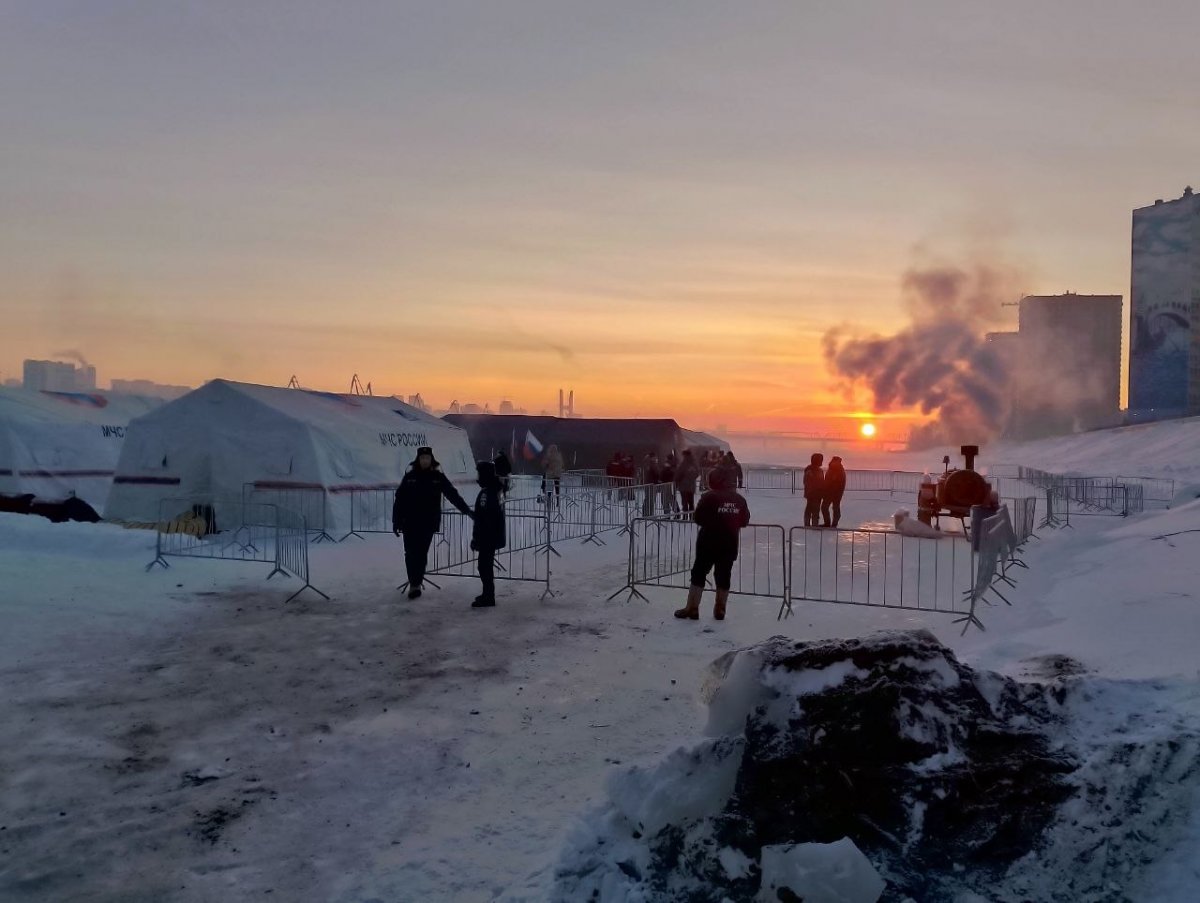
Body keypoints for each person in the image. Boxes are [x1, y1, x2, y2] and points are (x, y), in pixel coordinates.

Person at [393, 446, 473, 599]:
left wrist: (466, 510)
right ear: (418, 460)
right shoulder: (410, 477)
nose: (425, 461)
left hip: (428, 522)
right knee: (410, 553)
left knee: (421, 553)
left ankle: (416, 582)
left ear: (431, 460)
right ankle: (414, 583)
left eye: (427, 458)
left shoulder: (437, 477)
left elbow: (452, 494)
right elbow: (400, 499)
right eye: (422, 458)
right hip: (409, 522)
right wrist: (396, 520)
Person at [674, 469, 751, 621]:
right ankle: (720, 609)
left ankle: (692, 608)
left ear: (712, 481)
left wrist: (714, 522)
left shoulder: (708, 497)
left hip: (708, 541)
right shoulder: (739, 499)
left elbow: (698, 518)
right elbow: (744, 521)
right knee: (724, 574)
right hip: (730, 542)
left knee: (699, 573)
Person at [470, 460, 507, 607]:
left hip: (487, 537)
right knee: (485, 566)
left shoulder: (487, 493)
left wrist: (477, 538)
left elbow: (484, 519)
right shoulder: (496, 490)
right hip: (492, 535)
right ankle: (487, 594)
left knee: (484, 566)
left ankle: (488, 596)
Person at [822, 455, 846, 527]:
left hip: (833, 492)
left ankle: (832, 523)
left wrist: (828, 489)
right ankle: (829, 523)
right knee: (829, 507)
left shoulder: (837, 470)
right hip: (832, 492)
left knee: (829, 507)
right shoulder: (833, 469)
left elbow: (834, 482)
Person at [675, 449, 701, 517]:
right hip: (691, 486)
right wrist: (691, 478)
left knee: (684, 502)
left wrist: (676, 481)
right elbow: (697, 473)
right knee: (691, 502)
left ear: (685, 455)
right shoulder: (694, 463)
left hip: (683, 486)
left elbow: (678, 474)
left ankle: (685, 516)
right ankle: (692, 516)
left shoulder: (684, 464)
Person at [802, 452, 825, 527]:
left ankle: (813, 524)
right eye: (821, 460)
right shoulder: (810, 471)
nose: (822, 462)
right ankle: (810, 524)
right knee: (812, 509)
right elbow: (807, 482)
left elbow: (821, 482)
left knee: (813, 509)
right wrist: (813, 491)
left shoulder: (819, 470)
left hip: (817, 494)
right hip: (813, 493)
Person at [542, 444, 564, 508]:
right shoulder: (559, 455)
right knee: (556, 488)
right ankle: (556, 501)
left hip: (551, 475)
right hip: (556, 474)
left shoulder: (550, 455)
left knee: (550, 489)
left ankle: (550, 502)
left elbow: (545, 464)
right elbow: (562, 464)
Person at [642, 451, 661, 516]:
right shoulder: (652, 464)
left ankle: (646, 512)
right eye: (655, 457)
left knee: (647, 498)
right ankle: (649, 513)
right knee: (651, 499)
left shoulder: (646, 463)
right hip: (651, 483)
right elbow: (657, 473)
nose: (656, 458)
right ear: (652, 457)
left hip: (647, 483)